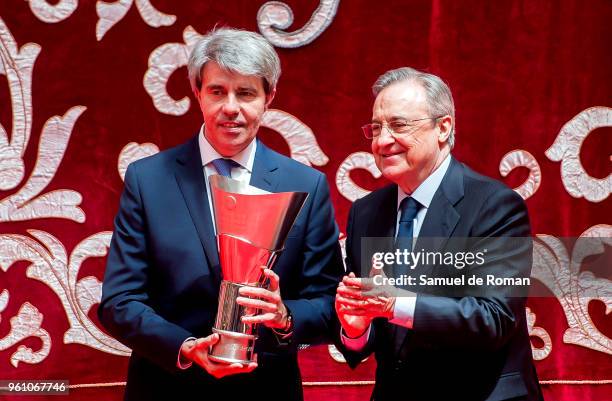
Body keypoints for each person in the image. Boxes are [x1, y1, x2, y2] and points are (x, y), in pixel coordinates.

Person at [98, 27, 343, 401]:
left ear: (268, 97)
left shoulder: (306, 185)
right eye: (217, 91)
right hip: (166, 387)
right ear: (197, 92)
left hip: (267, 391)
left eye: (245, 93)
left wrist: (284, 315)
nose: (231, 107)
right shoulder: (148, 179)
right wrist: (185, 347)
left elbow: (328, 305)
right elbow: (119, 302)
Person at [334, 67, 543, 401]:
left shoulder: (495, 206)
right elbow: (373, 333)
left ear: (443, 127)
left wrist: (393, 303)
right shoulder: (366, 212)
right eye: (376, 128)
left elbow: (494, 319)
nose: (382, 140)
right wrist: (356, 330)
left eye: (398, 125)